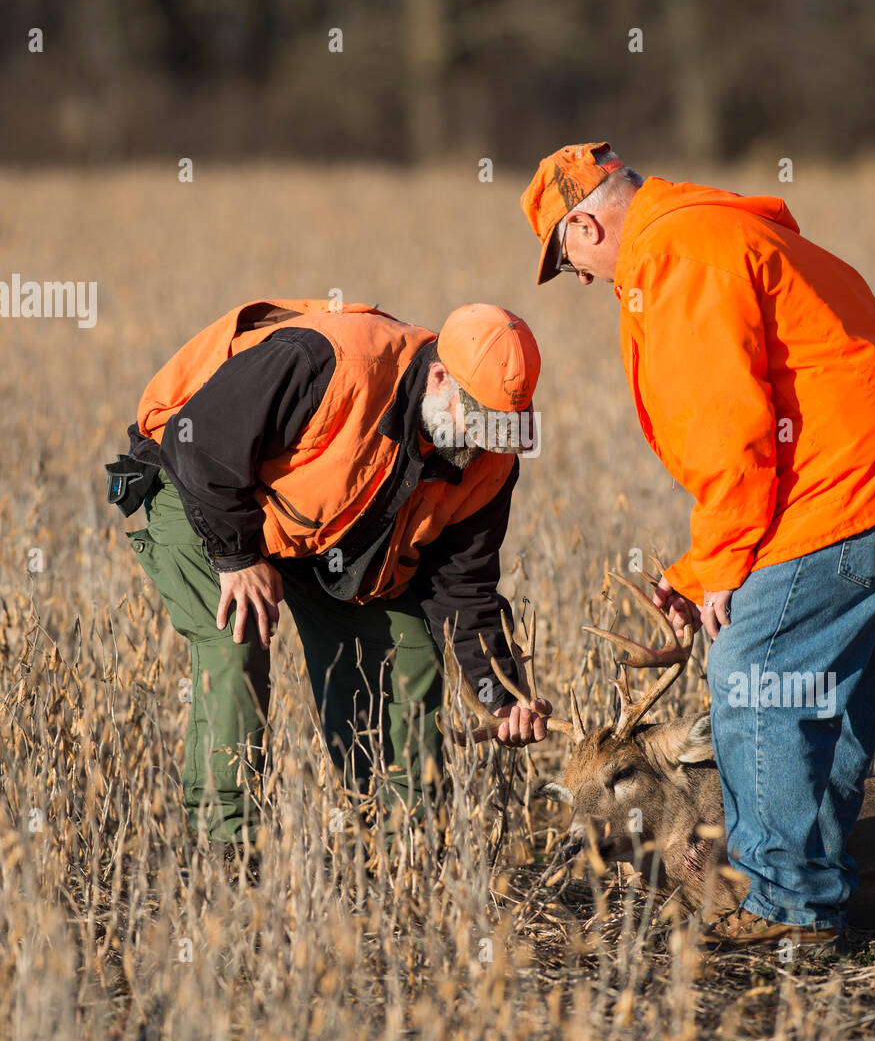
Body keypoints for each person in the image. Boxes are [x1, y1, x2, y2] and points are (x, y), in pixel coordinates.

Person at [520, 142, 875, 948]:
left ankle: (786, 906)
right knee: (821, 690)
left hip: (849, 488)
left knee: (751, 671)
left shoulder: (673, 257)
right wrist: (698, 574)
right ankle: (825, 888)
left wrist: (721, 566)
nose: (583, 280)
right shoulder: (723, 232)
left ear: (583, 224)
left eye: (568, 261)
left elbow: (729, 429)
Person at [107, 298, 551, 848]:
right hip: (201, 489)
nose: (487, 440)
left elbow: (462, 588)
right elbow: (197, 441)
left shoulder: (488, 459)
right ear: (440, 377)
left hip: (326, 533)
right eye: (480, 422)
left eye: (504, 428)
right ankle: (225, 849)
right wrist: (238, 559)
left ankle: (403, 851)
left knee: (409, 649)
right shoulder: (328, 363)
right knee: (237, 640)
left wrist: (500, 692)